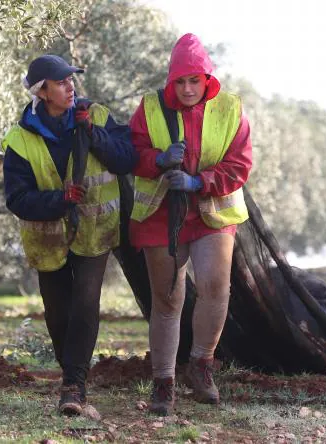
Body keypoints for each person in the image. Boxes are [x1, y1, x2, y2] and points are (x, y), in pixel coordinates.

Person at [1, 54, 137, 417]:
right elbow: (16, 198)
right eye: (61, 82)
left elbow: (127, 158)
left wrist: (93, 133)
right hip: (47, 239)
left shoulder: (99, 116)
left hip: (95, 232)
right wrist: (58, 201)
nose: (70, 86)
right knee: (58, 312)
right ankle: (71, 375)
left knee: (85, 305)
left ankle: (74, 386)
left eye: (71, 80)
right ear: (42, 91)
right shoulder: (19, 139)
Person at [128, 33, 253, 416]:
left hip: (211, 212)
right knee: (167, 299)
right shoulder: (149, 108)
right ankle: (163, 382)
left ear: (207, 79)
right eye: (179, 81)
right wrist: (161, 160)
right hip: (161, 215)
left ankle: (201, 367)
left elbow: (241, 165)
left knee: (216, 287)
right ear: (170, 81)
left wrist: (200, 182)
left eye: (193, 81)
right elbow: (132, 154)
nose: (186, 89)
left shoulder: (231, 109)